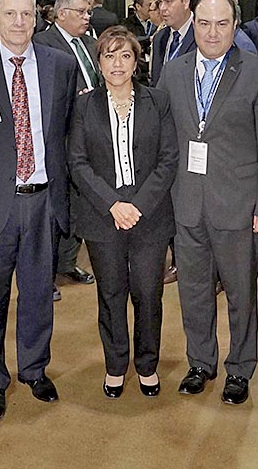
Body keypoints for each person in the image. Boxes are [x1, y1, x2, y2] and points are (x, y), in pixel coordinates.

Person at [158, 0, 258, 405]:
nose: (212, 33)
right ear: (194, 25)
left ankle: (240, 367)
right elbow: (162, 141)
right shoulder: (173, 73)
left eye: (222, 24)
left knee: (241, 292)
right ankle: (200, 362)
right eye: (205, 24)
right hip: (187, 203)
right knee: (193, 289)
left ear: (235, 26)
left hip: (240, 205)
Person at [0, 0, 78, 421]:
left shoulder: (59, 65)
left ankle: (34, 368)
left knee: (37, 294)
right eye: (9, 13)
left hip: (44, 200)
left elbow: (65, 132)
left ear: (38, 17)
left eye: (26, 14)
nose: (18, 22)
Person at [68, 26, 177, 399]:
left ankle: (147, 364)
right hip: (103, 214)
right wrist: (113, 204)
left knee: (148, 294)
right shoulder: (83, 105)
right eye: (109, 55)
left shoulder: (158, 101)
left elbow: (168, 160)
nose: (117, 63)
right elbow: (78, 163)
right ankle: (116, 365)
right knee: (111, 293)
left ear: (137, 60)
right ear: (98, 62)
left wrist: (138, 205)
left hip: (151, 214)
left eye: (125, 55)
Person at [32, 0, 101, 296]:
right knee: (55, 209)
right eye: (82, 12)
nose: (88, 17)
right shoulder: (42, 45)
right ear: (61, 14)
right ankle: (44, 278)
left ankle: (67, 263)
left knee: (79, 206)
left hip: (89, 135)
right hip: (58, 137)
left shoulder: (90, 42)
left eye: (89, 12)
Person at [150, 0, 194, 86]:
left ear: (185, 2)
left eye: (168, 2)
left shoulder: (203, 35)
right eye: (160, 3)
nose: (163, 8)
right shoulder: (159, 38)